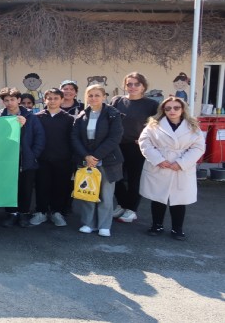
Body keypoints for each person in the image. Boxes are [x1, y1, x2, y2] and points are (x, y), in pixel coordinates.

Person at [139, 97, 205, 241]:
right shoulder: (153, 125)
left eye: (176, 108)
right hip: (160, 165)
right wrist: (158, 159)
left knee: (179, 199)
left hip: (180, 168)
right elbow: (144, 143)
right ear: (163, 110)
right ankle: (157, 225)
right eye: (168, 108)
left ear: (182, 109)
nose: (172, 111)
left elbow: (198, 147)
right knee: (158, 198)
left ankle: (177, 228)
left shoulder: (193, 126)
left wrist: (181, 163)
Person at [70, 84, 123, 237]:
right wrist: (86, 156)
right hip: (85, 159)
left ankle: (104, 225)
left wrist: (96, 156)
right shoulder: (81, 115)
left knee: (106, 195)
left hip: (108, 160)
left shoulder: (113, 114)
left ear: (104, 96)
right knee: (87, 192)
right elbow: (74, 137)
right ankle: (88, 223)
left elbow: (114, 137)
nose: (93, 98)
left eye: (97, 95)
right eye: (90, 95)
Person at [110, 72, 159, 223]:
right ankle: (122, 204)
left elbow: (157, 125)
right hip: (116, 145)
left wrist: (147, 139)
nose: (132, 87)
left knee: (134, 179)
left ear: (143, 86)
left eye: (136, 84)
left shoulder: (151, 104)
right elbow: (109, 120)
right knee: (115, 178)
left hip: (137, 147)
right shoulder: (117, 101)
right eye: (129, 84)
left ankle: (131, 209)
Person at [0, 87, 45, 228]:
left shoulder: (31, 117)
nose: (9, 103)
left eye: (12, 99)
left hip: (26, 159)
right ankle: (11, 213)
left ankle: (23, 213)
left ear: (19, 100)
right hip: (7, 159)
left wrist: (33, 154)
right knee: (9, 187)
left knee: (26, 187)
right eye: (6, 100)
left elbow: (40, 137)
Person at [33, 88, 75, 227]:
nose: (52, 101)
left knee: (61, 187)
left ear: (62, 100)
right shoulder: (37, 117)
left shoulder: (69, 119)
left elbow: (72, 139)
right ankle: (41, 212)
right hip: (42, 159)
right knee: (42, 186)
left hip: (63, 159)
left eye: (56, 98)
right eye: (49, 98)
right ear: (45, 100)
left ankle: (57, 212)